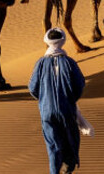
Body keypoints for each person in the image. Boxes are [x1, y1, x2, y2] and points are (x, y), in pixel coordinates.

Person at [29, 28, 86, 174]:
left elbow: (33, 88)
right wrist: (70, 99)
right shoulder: (70, 62)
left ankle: (55, 171)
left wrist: (44, 100)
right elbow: (79, 85)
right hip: (67, 110)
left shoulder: (40, 63)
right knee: (70, 139)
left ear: (46, 41)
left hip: (47, 112)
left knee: (53, 145)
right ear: (63, 40)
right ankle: (68, 166)